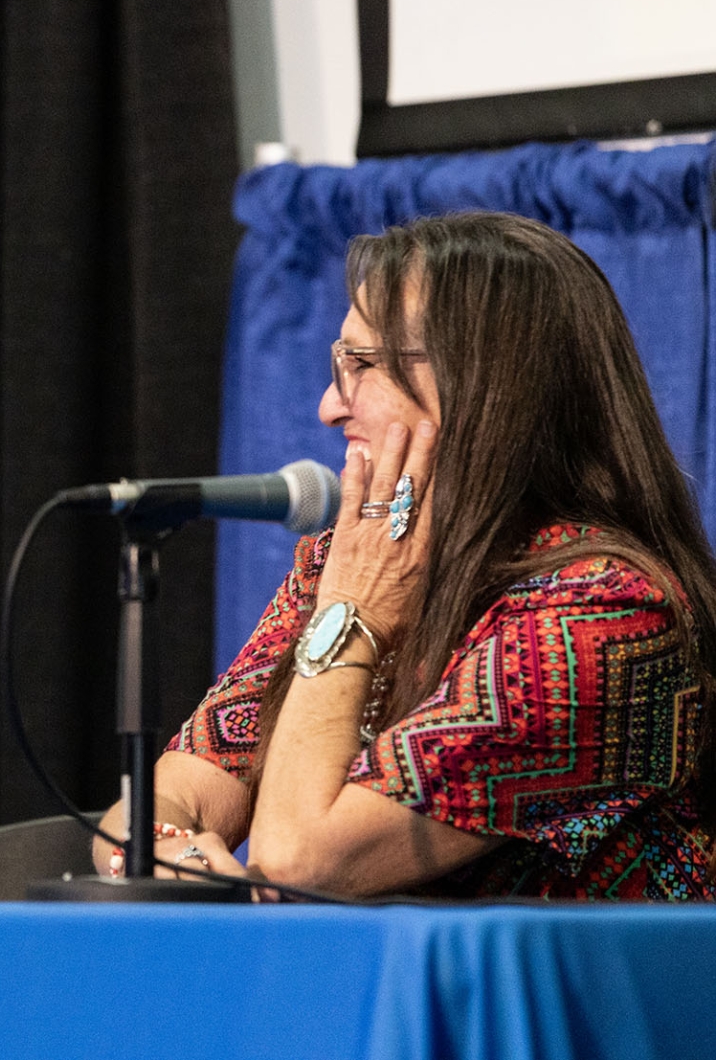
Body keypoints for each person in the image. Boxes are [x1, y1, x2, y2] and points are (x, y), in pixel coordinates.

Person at [95, 211, 716, 899]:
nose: (330, 406)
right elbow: (156, 801)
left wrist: (351, 613)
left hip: (554, 1007)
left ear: (486, 387)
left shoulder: (608, 616)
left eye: (362, 364)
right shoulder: (350, 562)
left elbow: (298, 862)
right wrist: (174, 850)